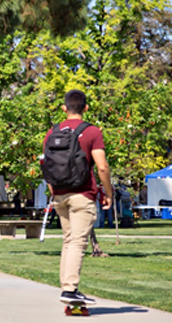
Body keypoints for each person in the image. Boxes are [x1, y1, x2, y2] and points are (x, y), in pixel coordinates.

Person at [43, 90, 113, 305]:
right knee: (78, 242)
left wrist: (53, 190)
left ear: (64, 108)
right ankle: (70, 289)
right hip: (82, 194)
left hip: (60, 194)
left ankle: (66, 287)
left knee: (68, 240)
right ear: (86, 108)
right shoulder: (92, 132)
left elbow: (46, 165)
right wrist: (108, 193)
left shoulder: (51, 132)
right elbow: (101, 166)